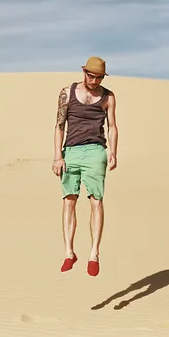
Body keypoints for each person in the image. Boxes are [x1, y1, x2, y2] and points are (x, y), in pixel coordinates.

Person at [52, 56, 118, 277]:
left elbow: (112, 126)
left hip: (95, 151)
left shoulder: (108, 97)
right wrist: (57, 157)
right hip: (70, 152)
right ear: (84, 73)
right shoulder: (66, 93)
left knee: (96, 200)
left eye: (99, 77)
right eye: (92, 76)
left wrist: (113, 153)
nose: (94, 80)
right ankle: (69, 253)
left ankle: (94, 254)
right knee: (69, 200)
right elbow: (59, 125)